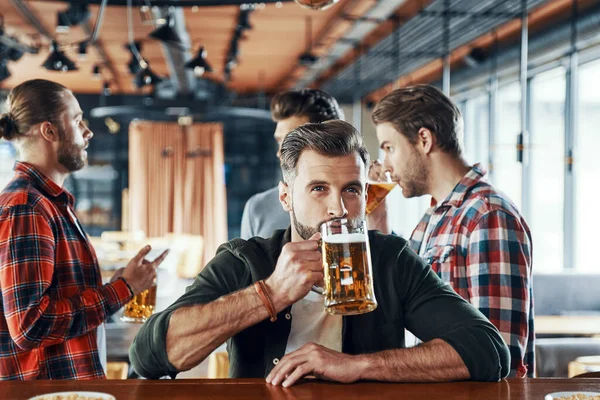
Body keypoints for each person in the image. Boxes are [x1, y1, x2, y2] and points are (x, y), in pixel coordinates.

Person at [130, 120, 510, 386]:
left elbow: (489, 351)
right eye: (318, 189)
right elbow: (149, 355)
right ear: (285, 197)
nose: (338, 209)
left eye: (351, 189)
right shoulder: (245, 260)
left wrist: (356, 366)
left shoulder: (391, 260)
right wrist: (271, 294)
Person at [0, 79, 168, 380]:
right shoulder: (27, 207)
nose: (88, 132)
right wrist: (123, 289)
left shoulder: (49, 203)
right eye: (78, 121)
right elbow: (29, 325)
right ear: (49, 131)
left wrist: (116, 287)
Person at [372, 84, 534, 378]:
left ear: (423, 139)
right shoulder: (435, 216)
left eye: (389, 148)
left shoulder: (487, 216)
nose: (384, 165)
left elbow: (499, 357)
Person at [240, 89, 344, 239]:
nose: (280, 152)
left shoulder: (355, 205)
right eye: (279, 141)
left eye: (292, 141)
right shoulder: (257, 208)